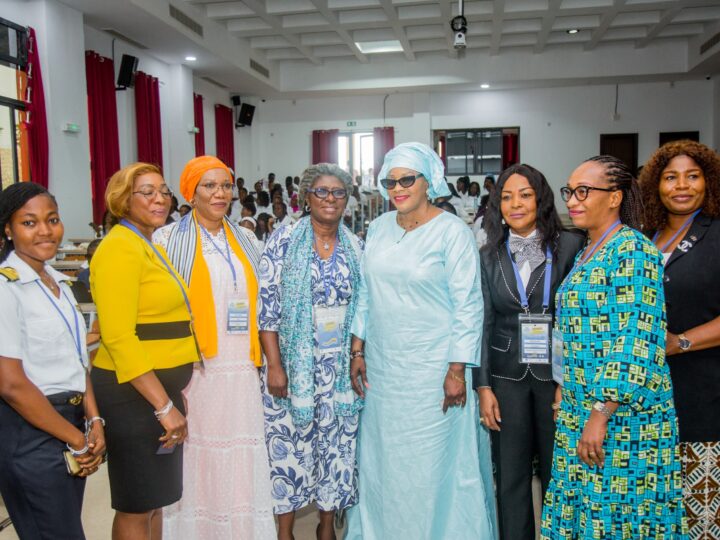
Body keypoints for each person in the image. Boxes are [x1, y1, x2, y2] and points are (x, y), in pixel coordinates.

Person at [345, 142, 497, 539]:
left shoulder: (452, 232)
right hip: (384, 371)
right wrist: (357, 348)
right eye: (390, 181)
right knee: (386, 462)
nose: (397, 188)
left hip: (434, 373)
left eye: (407, 179)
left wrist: (457, 369)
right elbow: (365, 292)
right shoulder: (377, 228)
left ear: (428, 182)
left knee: (430, 465)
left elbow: (468, 306)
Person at [541, 155, 687, 539]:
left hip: (623, 418)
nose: (573, 199)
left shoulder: (633, 251)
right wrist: (564, 388)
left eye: (584, 191)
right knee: (583, 513)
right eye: (569, 191)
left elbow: (636, 338)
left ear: (615, 197)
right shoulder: (588, 250)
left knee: (619, 518)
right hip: (579, 407)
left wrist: (602, 411)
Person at [153, 156, 275, 539]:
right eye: (209, 186)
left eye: (225, 185)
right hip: (197, 367)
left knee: (241, 450)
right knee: (198, 451)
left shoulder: (246, 238)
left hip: (241, 364)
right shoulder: (167, 240)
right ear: (190, 192)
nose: (220, 193)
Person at [90, 163, 199, 540]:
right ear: (123, 199)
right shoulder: (118, 248)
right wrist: (164, 407)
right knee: (137, 503)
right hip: (133, 395)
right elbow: (119, 338)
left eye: (164, 191)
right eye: (147, 192)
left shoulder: (145, 242)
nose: (160, 199)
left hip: (155, 392)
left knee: (156, 498)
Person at [474, 164, 583, 540]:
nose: (515, 204)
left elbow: (577, 319)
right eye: (506, 197)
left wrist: (569, 381)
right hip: (506, 378)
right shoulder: (488, 255)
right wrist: (483, 387)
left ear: (541, 199)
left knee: (560, 473)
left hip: (557, 379)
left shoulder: (571, 245)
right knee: (511, 476)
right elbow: (483, 322)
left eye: (524, 195)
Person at [258, 163, 364, 540]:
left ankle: (325, 526)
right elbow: (266, 308)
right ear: (306, 197)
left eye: (338, 192)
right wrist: (274, 365)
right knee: (288, 448)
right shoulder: (283, 240)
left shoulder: (355, 246)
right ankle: (285, 531)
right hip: (291, 364)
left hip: (337, 368)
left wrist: (356, 353)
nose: (330, 199)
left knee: (336, 447)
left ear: (347, 200)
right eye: (322, 191)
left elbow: (364, 309)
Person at [0, 182, 105, 540]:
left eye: (52, 219)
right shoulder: (5, 288)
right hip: (32, 431)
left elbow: (77, 361)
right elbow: (11, 384)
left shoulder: (58, 283)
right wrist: (76, 438)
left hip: (70, 424)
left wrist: (94, 419)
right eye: (29, 222)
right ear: (8, 229)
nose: (45, 230)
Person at [639, 140, 720, 539]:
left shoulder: (717, 235)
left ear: (709, 182)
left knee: (701, 511)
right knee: (656, 509)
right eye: (671, 177)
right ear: (657, 185)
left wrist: (683, 342)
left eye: (693, 176)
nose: (681, 186)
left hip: (703, 392)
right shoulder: (644, 238)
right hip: (648, 399)